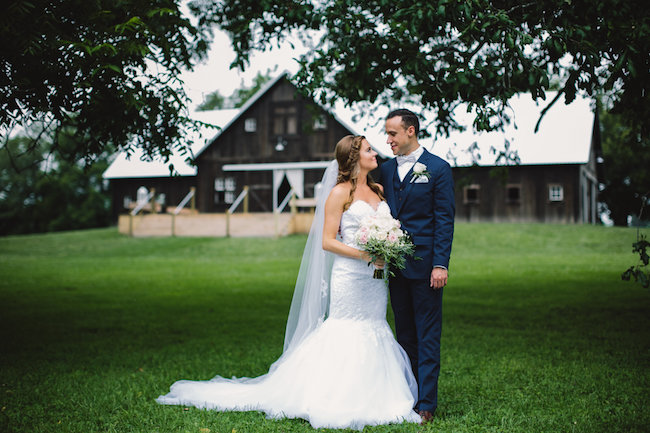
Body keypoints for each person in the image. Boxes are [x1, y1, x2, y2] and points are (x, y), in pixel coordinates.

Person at [156, 135, 421, 430]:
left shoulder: (379, 190)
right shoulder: (339, 193)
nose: (375, 153)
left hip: (375, 280)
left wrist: (387, 246)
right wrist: (365, 254)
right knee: (347, 328)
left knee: (374, 326)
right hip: (350, 275)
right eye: (370, 149)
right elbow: (327, 241)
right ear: (354, 157)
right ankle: (334, 393)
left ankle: (380, 394)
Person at [380, 109, 455, 423]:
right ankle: (407, 395)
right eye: (387, 134)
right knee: (404, 335)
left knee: (427, 335)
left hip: (426, 268)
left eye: (393, 133)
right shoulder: (383, 170)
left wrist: (440, 264)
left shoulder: (438, 169)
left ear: (410, 131)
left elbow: (444, 220)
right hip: (394, 268)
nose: (388, 140)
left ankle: (426, 404)